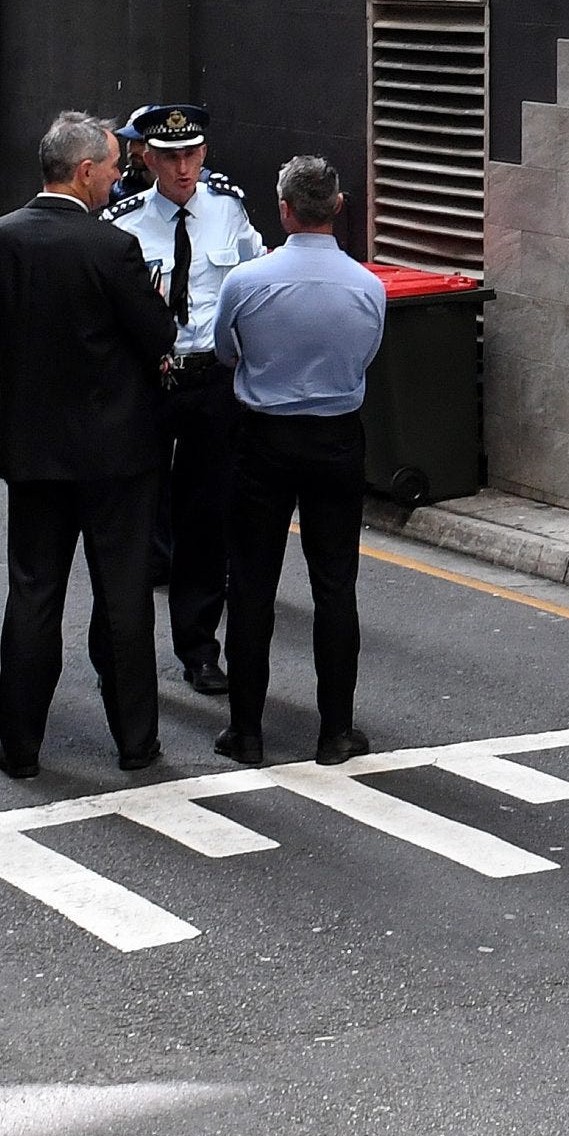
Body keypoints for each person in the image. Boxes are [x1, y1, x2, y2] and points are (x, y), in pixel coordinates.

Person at [0, 110, 177, 777]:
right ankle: (136, 743)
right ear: (84, 172)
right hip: (117, 452)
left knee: (33, 594)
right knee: (123, 597)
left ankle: (21, 747)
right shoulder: (112, 248)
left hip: (34, 449)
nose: (120, 179)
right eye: (114, 169)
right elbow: (158, 335)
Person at [210, 155, 388, 767]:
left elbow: (226, 353)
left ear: (284, 210)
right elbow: (365, 358)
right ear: (338, 208)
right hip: (337, 438)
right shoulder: (369, 286)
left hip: (263, 438)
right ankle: (335, 730)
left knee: (251, 584)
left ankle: (247, 731)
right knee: (335, 585)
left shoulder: (246, 281)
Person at [103, 103, 263, 696]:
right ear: (145, 158)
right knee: (136, 514)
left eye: (191, 154)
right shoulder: (122, 221)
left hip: (212, 379)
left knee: (206, 517)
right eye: (169, 157)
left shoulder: (230, 208)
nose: (182, 168)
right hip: (147, 381)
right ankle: (126, 652)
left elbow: (251, 285)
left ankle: (199, 649)